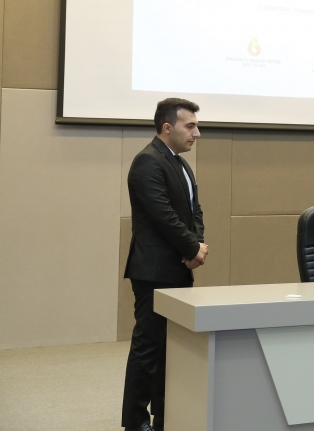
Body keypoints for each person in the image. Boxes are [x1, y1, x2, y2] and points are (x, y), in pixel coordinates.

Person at [122, 99, 208, 431]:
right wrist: (192, 247)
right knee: (148, 347)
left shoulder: (181, 164)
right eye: (191, 126)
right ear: (167, 128)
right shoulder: (147, 161)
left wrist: (197, 245)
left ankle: (164, 417)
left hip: (178, 267)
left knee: (170, 350)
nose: (197, 133)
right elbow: (163, 217)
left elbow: (194, 211)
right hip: (154, 271)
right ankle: (136, 422)